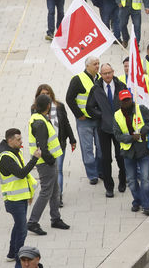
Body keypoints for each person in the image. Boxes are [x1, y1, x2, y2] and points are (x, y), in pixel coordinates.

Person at [26, 94, 70, 236]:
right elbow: (42, 146)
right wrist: (51, 160)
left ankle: (55, 218)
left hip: (48, 161)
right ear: (48, 106)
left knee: (55, 190)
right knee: (46, 192)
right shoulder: (39, 122)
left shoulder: (38, 118)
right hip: (46, 163)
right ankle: (33, 222)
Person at [0, 128, 40, 266]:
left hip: (20, 198)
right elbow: (21, 173)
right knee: (22, 230)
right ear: (10, 141)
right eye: (19, 139)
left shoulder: (15, 152)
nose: (21, 141)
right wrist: (35, 159)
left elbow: (24, 178)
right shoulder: (6, 158)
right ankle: (19, 261)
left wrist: (29, 193)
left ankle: (11, 253)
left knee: (18, 226)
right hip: (13, 201)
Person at [86, 63, 127, 197]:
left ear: (113, 72)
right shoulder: (96, 88)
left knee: (120, 156)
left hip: (119, 127)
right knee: (105, 158)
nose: (108, 75)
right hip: (103, 128)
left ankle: (122, 180)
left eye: (110, 72)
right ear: (101, 74)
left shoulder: (121, 86)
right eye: (105, 73)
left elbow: (128, 103)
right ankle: (109, 187)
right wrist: (101, 116)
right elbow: (89, 107)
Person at [113, 89, 149, 215]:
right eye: (124, 100)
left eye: (128, 99)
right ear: (120, 102)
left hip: (143, 150)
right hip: (128, 152)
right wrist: (131, 138)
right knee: (131, 181)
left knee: (145, 179)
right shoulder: (117, 115)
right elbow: (117, 135)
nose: (127, 102)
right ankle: (137, 201)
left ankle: (146, 206)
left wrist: (143, 130)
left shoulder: (140, 109)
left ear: (132, 99)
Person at [34, 85, 75, 208]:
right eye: (43, 94)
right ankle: (51, 195)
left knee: (59, 170)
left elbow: (66, 123)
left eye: (47, 93)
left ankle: (58, 197)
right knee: (49, 173)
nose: (46, 96)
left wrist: (72, 139)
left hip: (59, 143)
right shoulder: (35, 110)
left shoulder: (59, 106)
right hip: (45, 147)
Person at [65, 56, 101, 184]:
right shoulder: (77, 79)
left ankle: (99, 169)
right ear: (87, 66)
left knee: (101, 148)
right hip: (84, 121)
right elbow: (69, 98)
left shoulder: (100, 79)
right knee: (87, 149)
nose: (97, 66)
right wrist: (79, 114)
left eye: (98, 63)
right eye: (94, 64)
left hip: (99, 119)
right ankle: (92, 174)